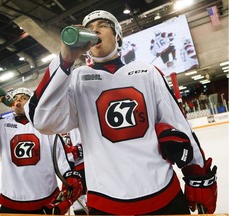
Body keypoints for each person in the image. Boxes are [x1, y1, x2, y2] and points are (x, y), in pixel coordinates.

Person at [25, 10, 217, 215]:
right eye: (89, 29)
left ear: (117, 35)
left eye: (102, 25)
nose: (95, 31)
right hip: (106, 203)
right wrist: (65, 60)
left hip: (164, 195)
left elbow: (179, 125)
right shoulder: (77, 78)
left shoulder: (147, 71)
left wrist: (198, 176)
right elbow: (41, 120)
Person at [0, 87, 83, 214]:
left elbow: (62, 160)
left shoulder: (46, 126)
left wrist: (71, 179)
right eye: (16, 98)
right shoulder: (0, 126)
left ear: (32, 103)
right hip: (11, 202)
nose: (18, 101)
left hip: (47, 201)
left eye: (24, 98)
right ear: (11, 105)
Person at [61, 129, 87, 215]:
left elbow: (89, 146)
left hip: (84, 167)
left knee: (84, 202)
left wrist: (72, 152)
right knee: (74, 202)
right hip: (67, 170)